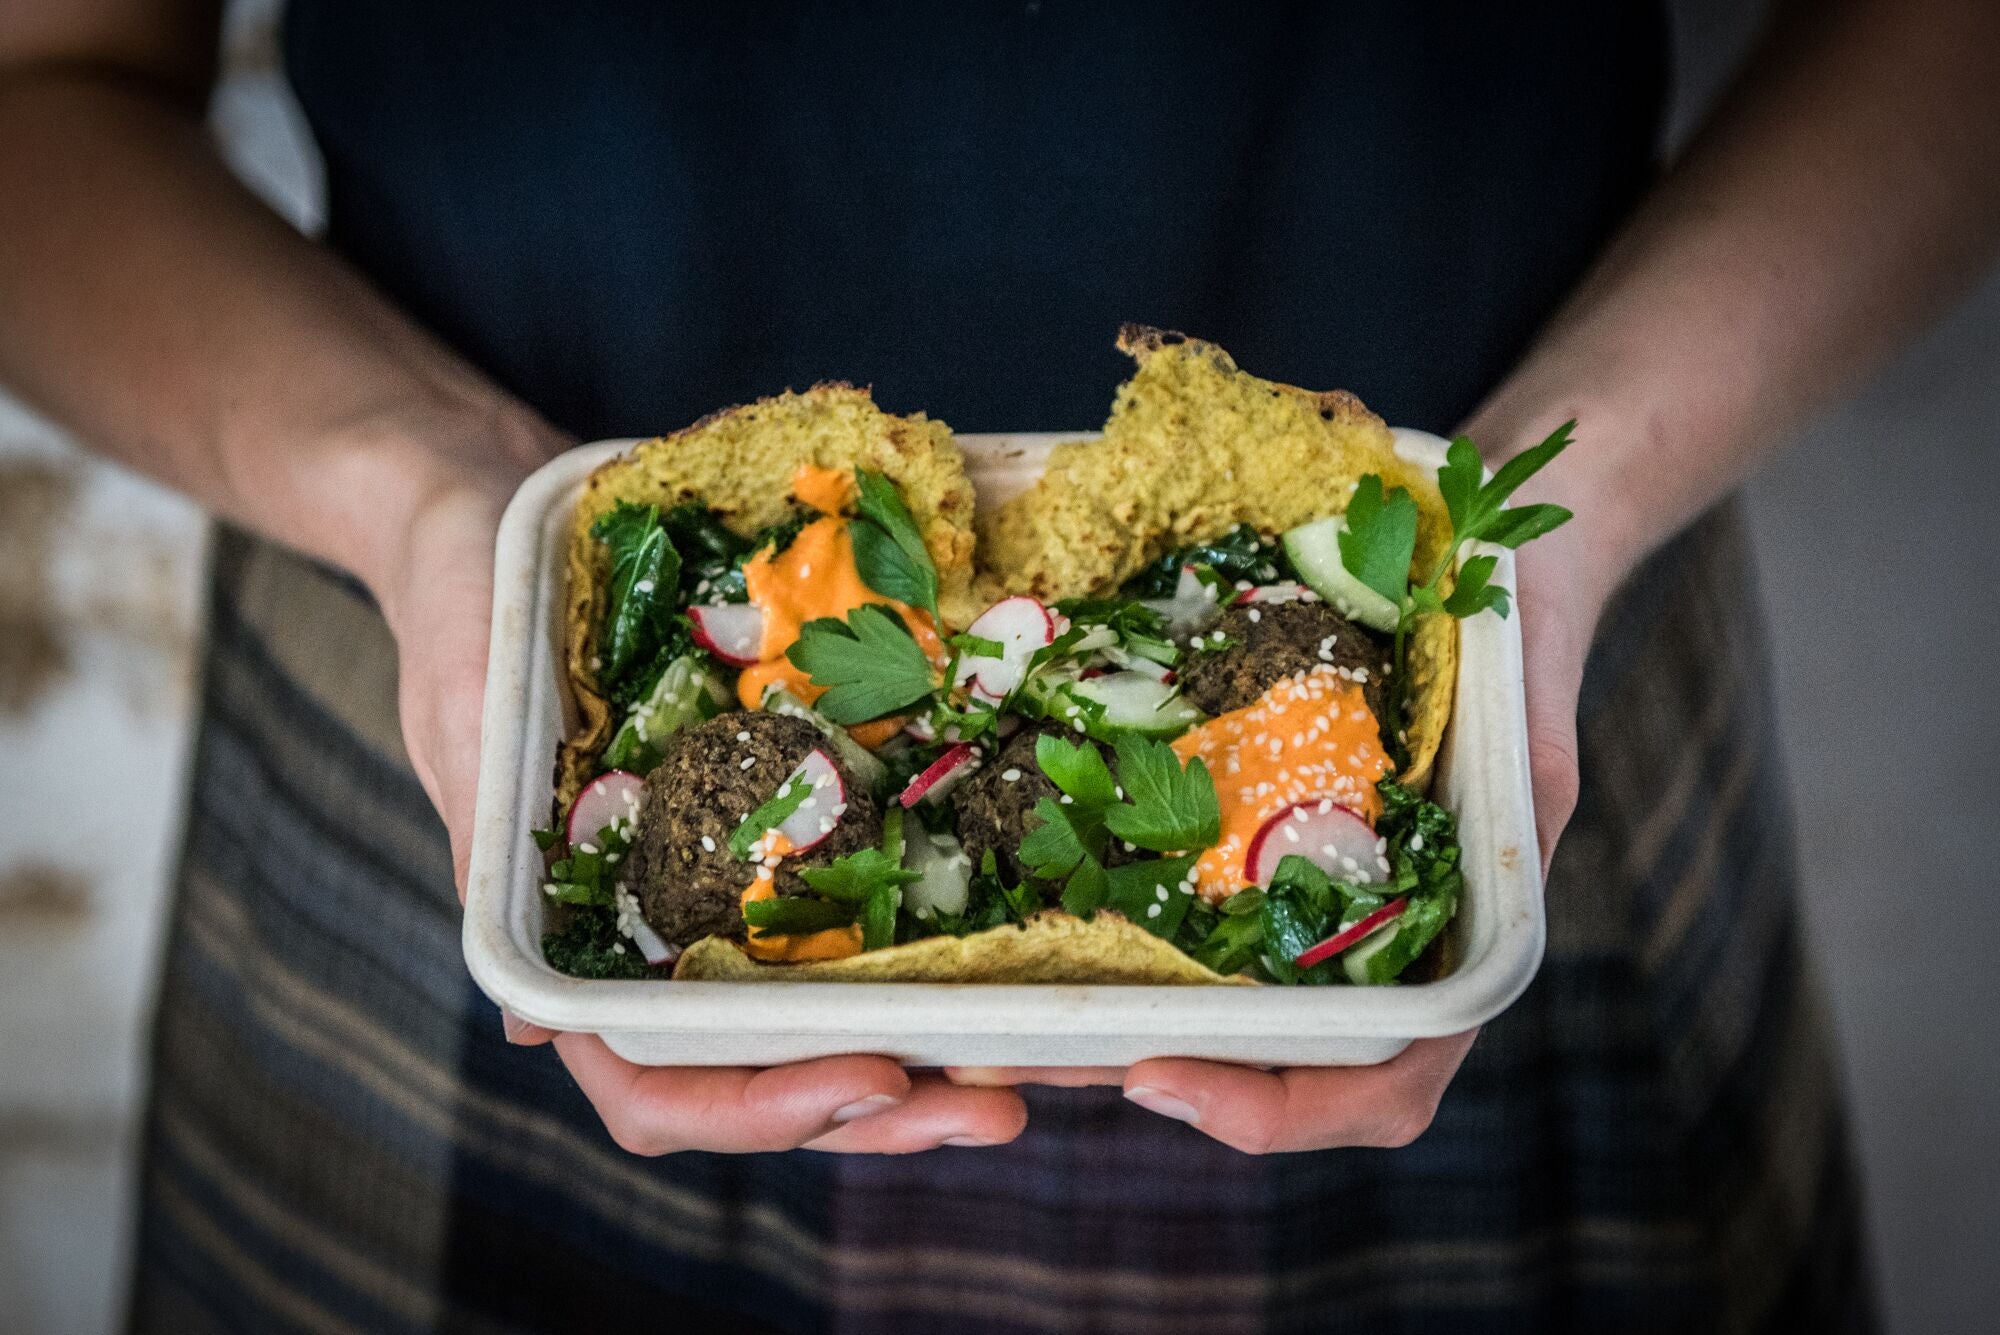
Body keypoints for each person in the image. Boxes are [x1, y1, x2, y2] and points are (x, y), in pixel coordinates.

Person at [2, 1, 1995, 1330]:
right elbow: (43, 100)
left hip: (1499, 697)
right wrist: (439, 502)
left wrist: (1561, 502)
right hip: (456, 710)